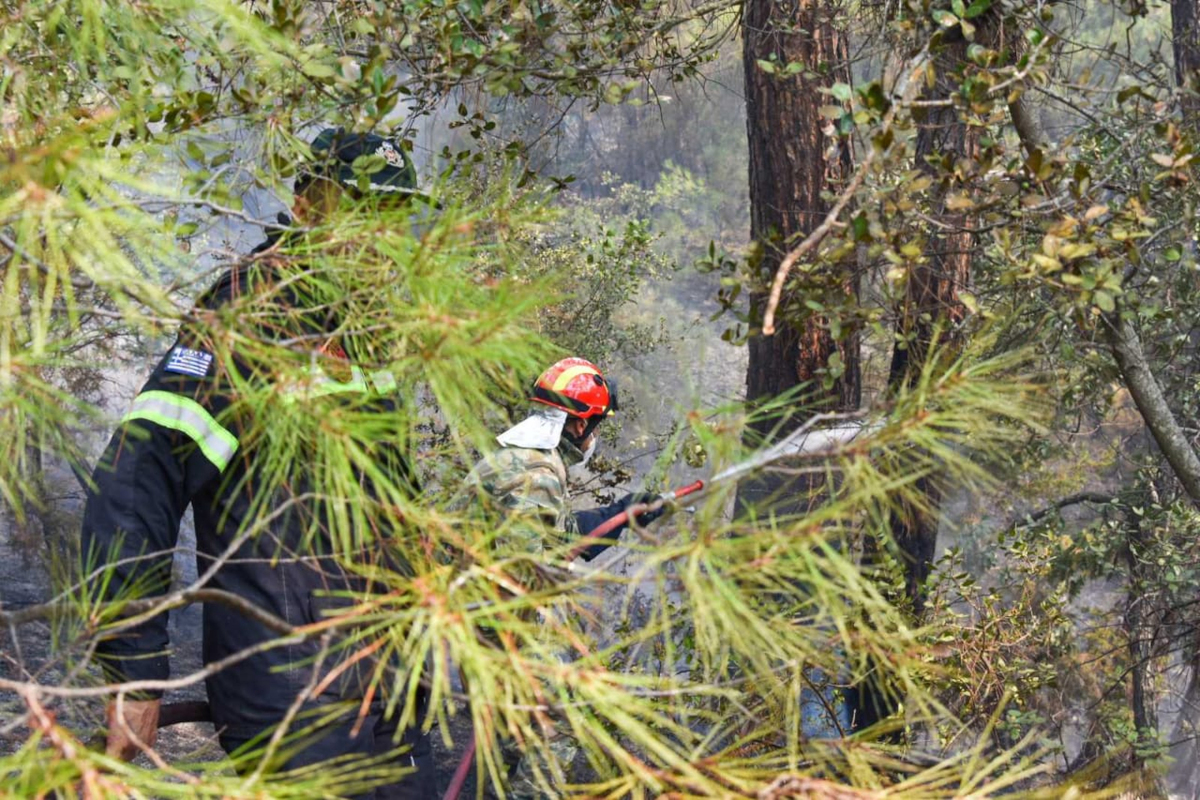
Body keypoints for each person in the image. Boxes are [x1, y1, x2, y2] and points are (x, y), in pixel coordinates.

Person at [81, 128, 435, 797]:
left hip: (384, 685)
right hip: (293, 694)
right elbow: (136, 483)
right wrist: (135, 672)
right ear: (305, 206)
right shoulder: (250, 313)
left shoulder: (365, 329)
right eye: (357, 207)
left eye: (391, 214)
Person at [454, 356, 664, 797]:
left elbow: (554, 535)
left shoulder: (517, 459)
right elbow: (525, 572)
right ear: (580, 424)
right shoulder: (537, 475)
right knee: (558, 728)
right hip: (508, 630)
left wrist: (623, 513)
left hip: (480, 624)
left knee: (514, 734)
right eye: (597, 425)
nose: (595, 437)